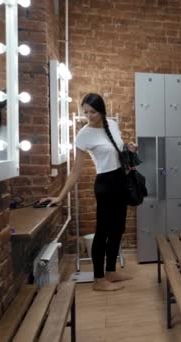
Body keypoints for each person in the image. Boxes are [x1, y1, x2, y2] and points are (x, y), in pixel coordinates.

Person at [41, 93, 136, 291]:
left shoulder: (112, 124)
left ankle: (111, 271)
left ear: (101, 110)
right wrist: (60, 196)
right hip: (105, 184)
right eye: (85, 112)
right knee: (103, 231)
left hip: (120, 181)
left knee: (118, 228)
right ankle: (98, 279)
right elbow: (76, 170)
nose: (89, 116)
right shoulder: (83, 135)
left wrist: (129, 148)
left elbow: (117, 149)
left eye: (92, 112)